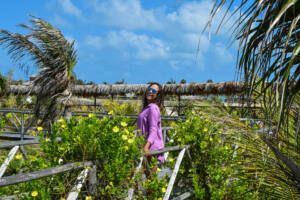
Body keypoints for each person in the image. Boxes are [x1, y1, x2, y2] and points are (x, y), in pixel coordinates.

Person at [137, 82, 164, 165]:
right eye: (149, 89)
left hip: (151, 148)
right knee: (149, 176)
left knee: (151, 177)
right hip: (145, 146)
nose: (150, 92)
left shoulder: (153, 108)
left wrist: (146, 147)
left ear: (157, 95)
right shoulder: (147, 108)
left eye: (154, 91)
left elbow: (153, 129)